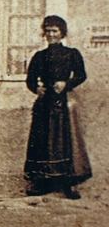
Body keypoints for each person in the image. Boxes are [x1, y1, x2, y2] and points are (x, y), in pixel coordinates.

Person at [24, 15, 91, 199]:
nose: (51, 34)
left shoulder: (72, 54)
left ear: (62, 33)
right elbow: (30, 80)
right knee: (42, 142)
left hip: (64, 103)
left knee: (66, 142)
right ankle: (41, 182)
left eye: (55, 31)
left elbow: (81, 75)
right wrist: (36, 88)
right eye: (48, 31)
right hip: (44, 105)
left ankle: (70, 184)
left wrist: (66, 84)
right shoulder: (39, 57)